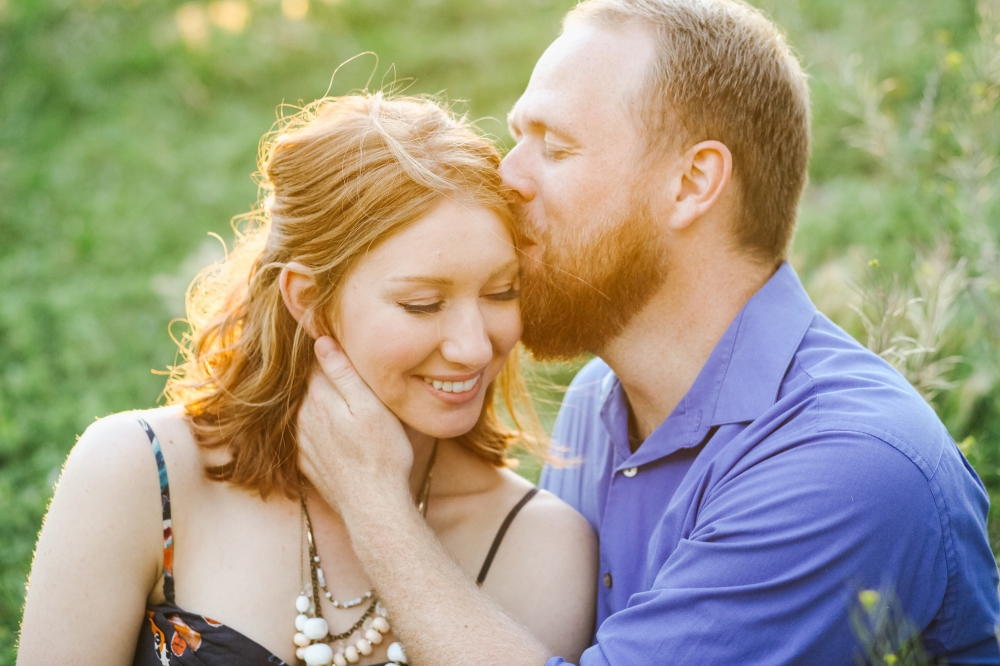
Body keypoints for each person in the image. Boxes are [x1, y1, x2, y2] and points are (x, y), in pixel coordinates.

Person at [294, 0, 1000, 664]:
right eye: (518, 139)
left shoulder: (850, 468)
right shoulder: (599, 406)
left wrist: (374, 505)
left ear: (692, 183)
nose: (506, 180)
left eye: (555, 146)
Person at [17, 94, 598, 666]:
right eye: (423, 304)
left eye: (502, 292)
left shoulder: (541, 546)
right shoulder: (140, 475)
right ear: (310, 300)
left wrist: (375, 502)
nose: (474, 346)